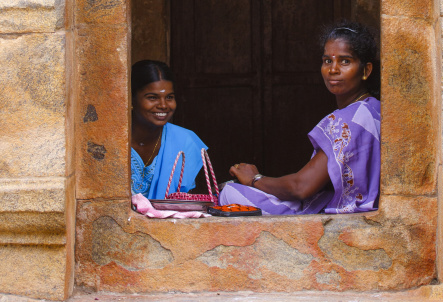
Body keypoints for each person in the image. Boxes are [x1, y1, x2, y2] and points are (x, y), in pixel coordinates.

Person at [219, 21, 380, 214]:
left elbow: (300, 187)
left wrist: (255, 179)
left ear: (366, 70)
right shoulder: (373, 109)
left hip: (330, 218)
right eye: (327, 60)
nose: (333, 69)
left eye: (345, 61)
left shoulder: (348, 119)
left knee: (230, 192)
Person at [131, 60, 207, 199]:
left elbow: (192, 202)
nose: (164, 105)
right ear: (131, 99)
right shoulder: (112, 141)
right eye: (152, 97)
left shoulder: (186, 142)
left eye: (169, 97)